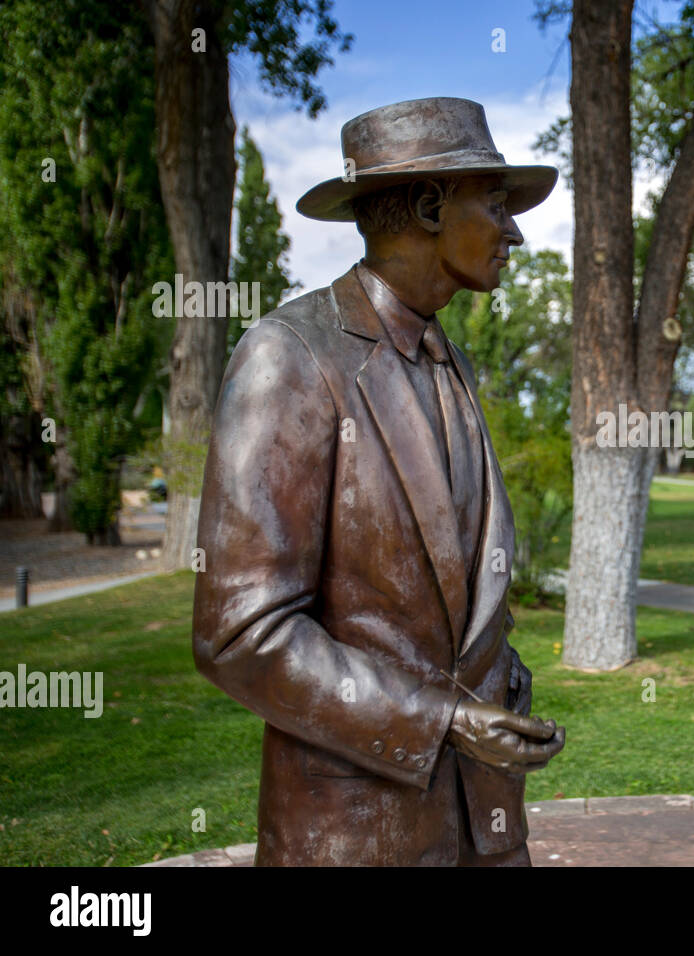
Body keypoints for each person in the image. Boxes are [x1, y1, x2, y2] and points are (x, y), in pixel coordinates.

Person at [192, 97, 565, 866]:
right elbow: (239, 633)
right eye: (495, 204)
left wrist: (502, 673)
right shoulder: (290, 357)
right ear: (429, 205)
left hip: (484, 828)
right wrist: (443, 720)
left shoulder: (449, 358)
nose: (515, 229)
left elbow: (440, 591)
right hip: (358, 835)